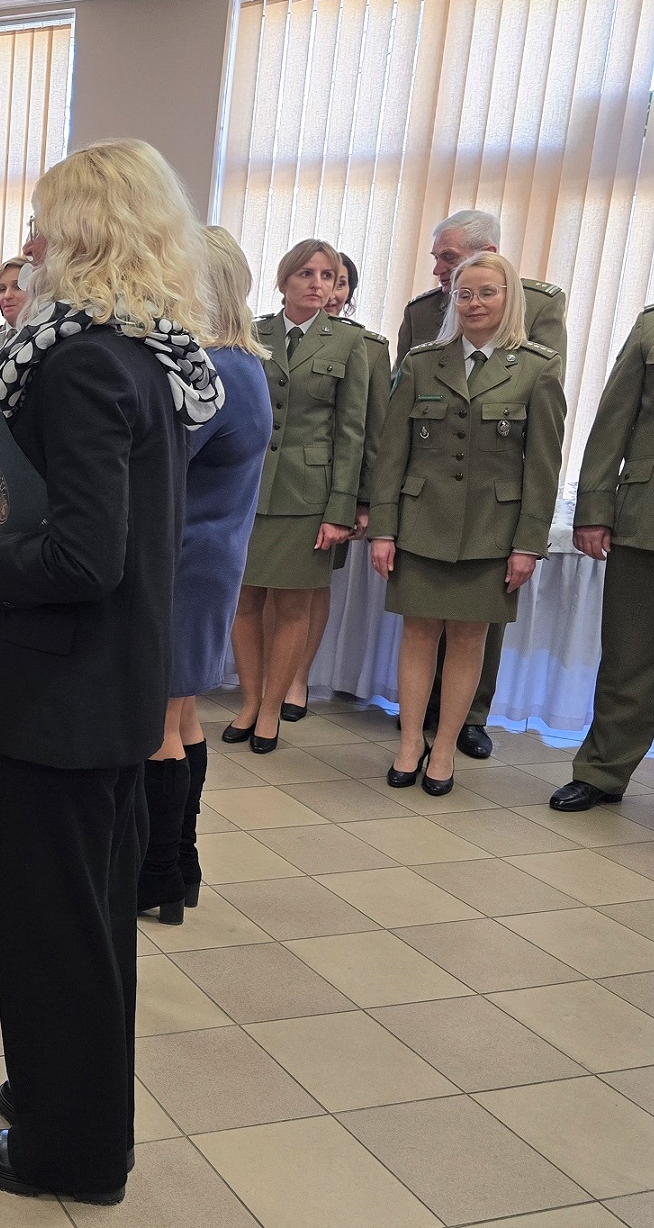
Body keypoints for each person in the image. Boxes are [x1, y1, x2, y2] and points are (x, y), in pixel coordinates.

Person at [0, 140, 223, 1205]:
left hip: (66, 690)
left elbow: (82, 556)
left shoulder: (83, 363)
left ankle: (73, 1151)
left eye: (46, 223)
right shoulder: (149, 357)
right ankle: (61, 1094)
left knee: (58, 931)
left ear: (87, 232)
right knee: (87, 921)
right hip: (110, 683)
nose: (32, 242)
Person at [370, 252, 566, 796]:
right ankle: (411, 742)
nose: (474, 303)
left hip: (490, 531)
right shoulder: (422, 362)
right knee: (417, 633)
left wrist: (528, 544)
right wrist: (383, 529)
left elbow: (543, 467)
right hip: (421, 522)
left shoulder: (536, 367)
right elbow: (391, 455)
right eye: (464, 294)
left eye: (487, 292)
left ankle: (445, 750)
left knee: (467, 638)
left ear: (510, 298)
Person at [549, 237, 654, 847]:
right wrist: (594, 509)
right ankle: (601, 772)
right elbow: (612, 423)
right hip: (647, 521)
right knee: (627, 661)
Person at [140, 226, 271, 925]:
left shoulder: (209, 374)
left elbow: (153, 464)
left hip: (181, 561)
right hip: (210, 560)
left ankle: (155, 874)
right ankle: (181, 865)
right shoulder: (244, 364)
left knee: (159, 723)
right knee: (184, 716)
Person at [226, 240, 369, 753]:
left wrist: (341, 509)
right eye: (306, 273)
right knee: (243, 601)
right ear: (284, 280)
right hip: (247, 488)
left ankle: (271, 710)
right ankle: (249, 701)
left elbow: (352, 433)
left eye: (328, 275)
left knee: (292, 606)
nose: (317, 283)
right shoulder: (252, 332)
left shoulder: (349, 341)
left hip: (308, 495)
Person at [284, 254, 391, 720]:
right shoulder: (271, 334)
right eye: (319, 277)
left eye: (340, 282)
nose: (329, 289)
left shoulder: (368, 347)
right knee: (269, 587)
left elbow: (370, 433)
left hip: (332, 488)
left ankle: (296, 677)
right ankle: (267, 677)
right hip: (280, 485)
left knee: (311, 586)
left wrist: (362, 501)